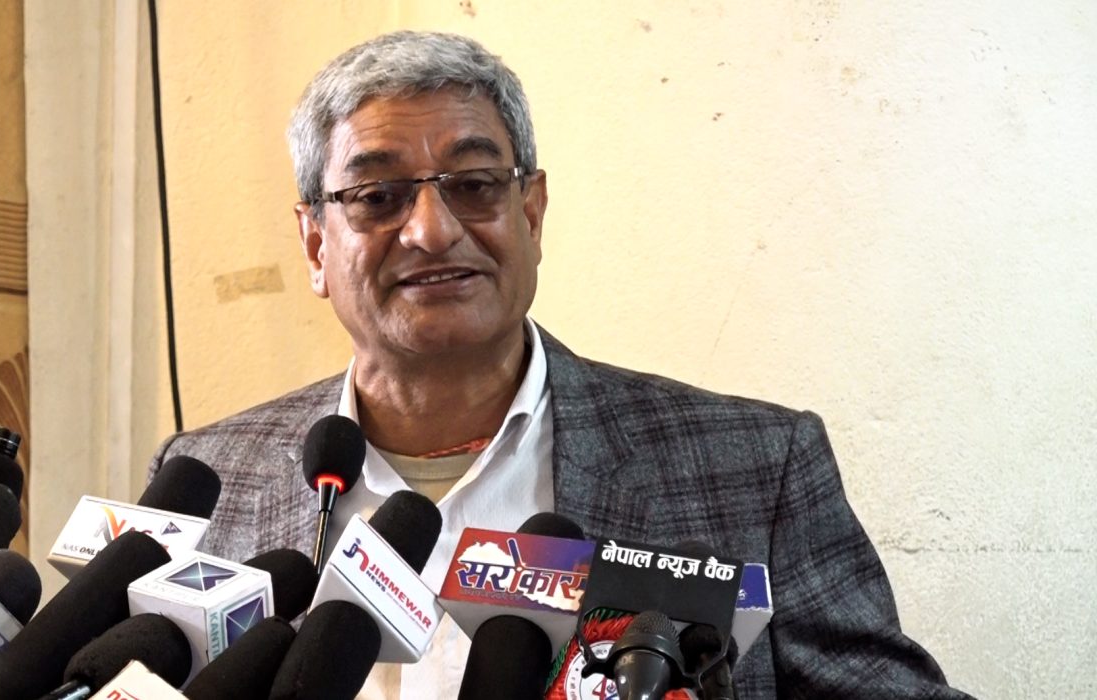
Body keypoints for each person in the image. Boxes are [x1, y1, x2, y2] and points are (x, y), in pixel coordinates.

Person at [151, 31, 969, 699]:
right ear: (314, 246)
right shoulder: (209, 480)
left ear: (532, 214)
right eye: (377, 197)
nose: (432, 230)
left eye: (474, 184)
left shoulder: (755, 467)